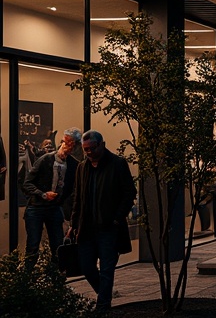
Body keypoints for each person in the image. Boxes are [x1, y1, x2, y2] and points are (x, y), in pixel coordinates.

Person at [70, 130, 137, 308]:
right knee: (86, 267)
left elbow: (129, 192)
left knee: (107, 268)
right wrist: (74, 223)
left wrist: (117, 218)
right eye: (86, 150)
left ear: (102, 145)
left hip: (108, 227)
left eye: (92, 148)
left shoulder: (117, 164)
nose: (89, 152)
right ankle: (104, 294)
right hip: (87, 227)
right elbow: (78, 198)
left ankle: (103, 306)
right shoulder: (82, 168)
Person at [23, 127, 82, 270]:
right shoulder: (45, 159)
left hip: (55, 207)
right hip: (36, 207)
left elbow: (74, 189)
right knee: (33, 245)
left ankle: (56, 277)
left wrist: (62, 201)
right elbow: (27, 183)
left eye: (72, 146)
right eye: (66, 144)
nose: (68, 149)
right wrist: (42, 194)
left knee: (58, 246)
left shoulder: (74, 165)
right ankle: (26, 278)